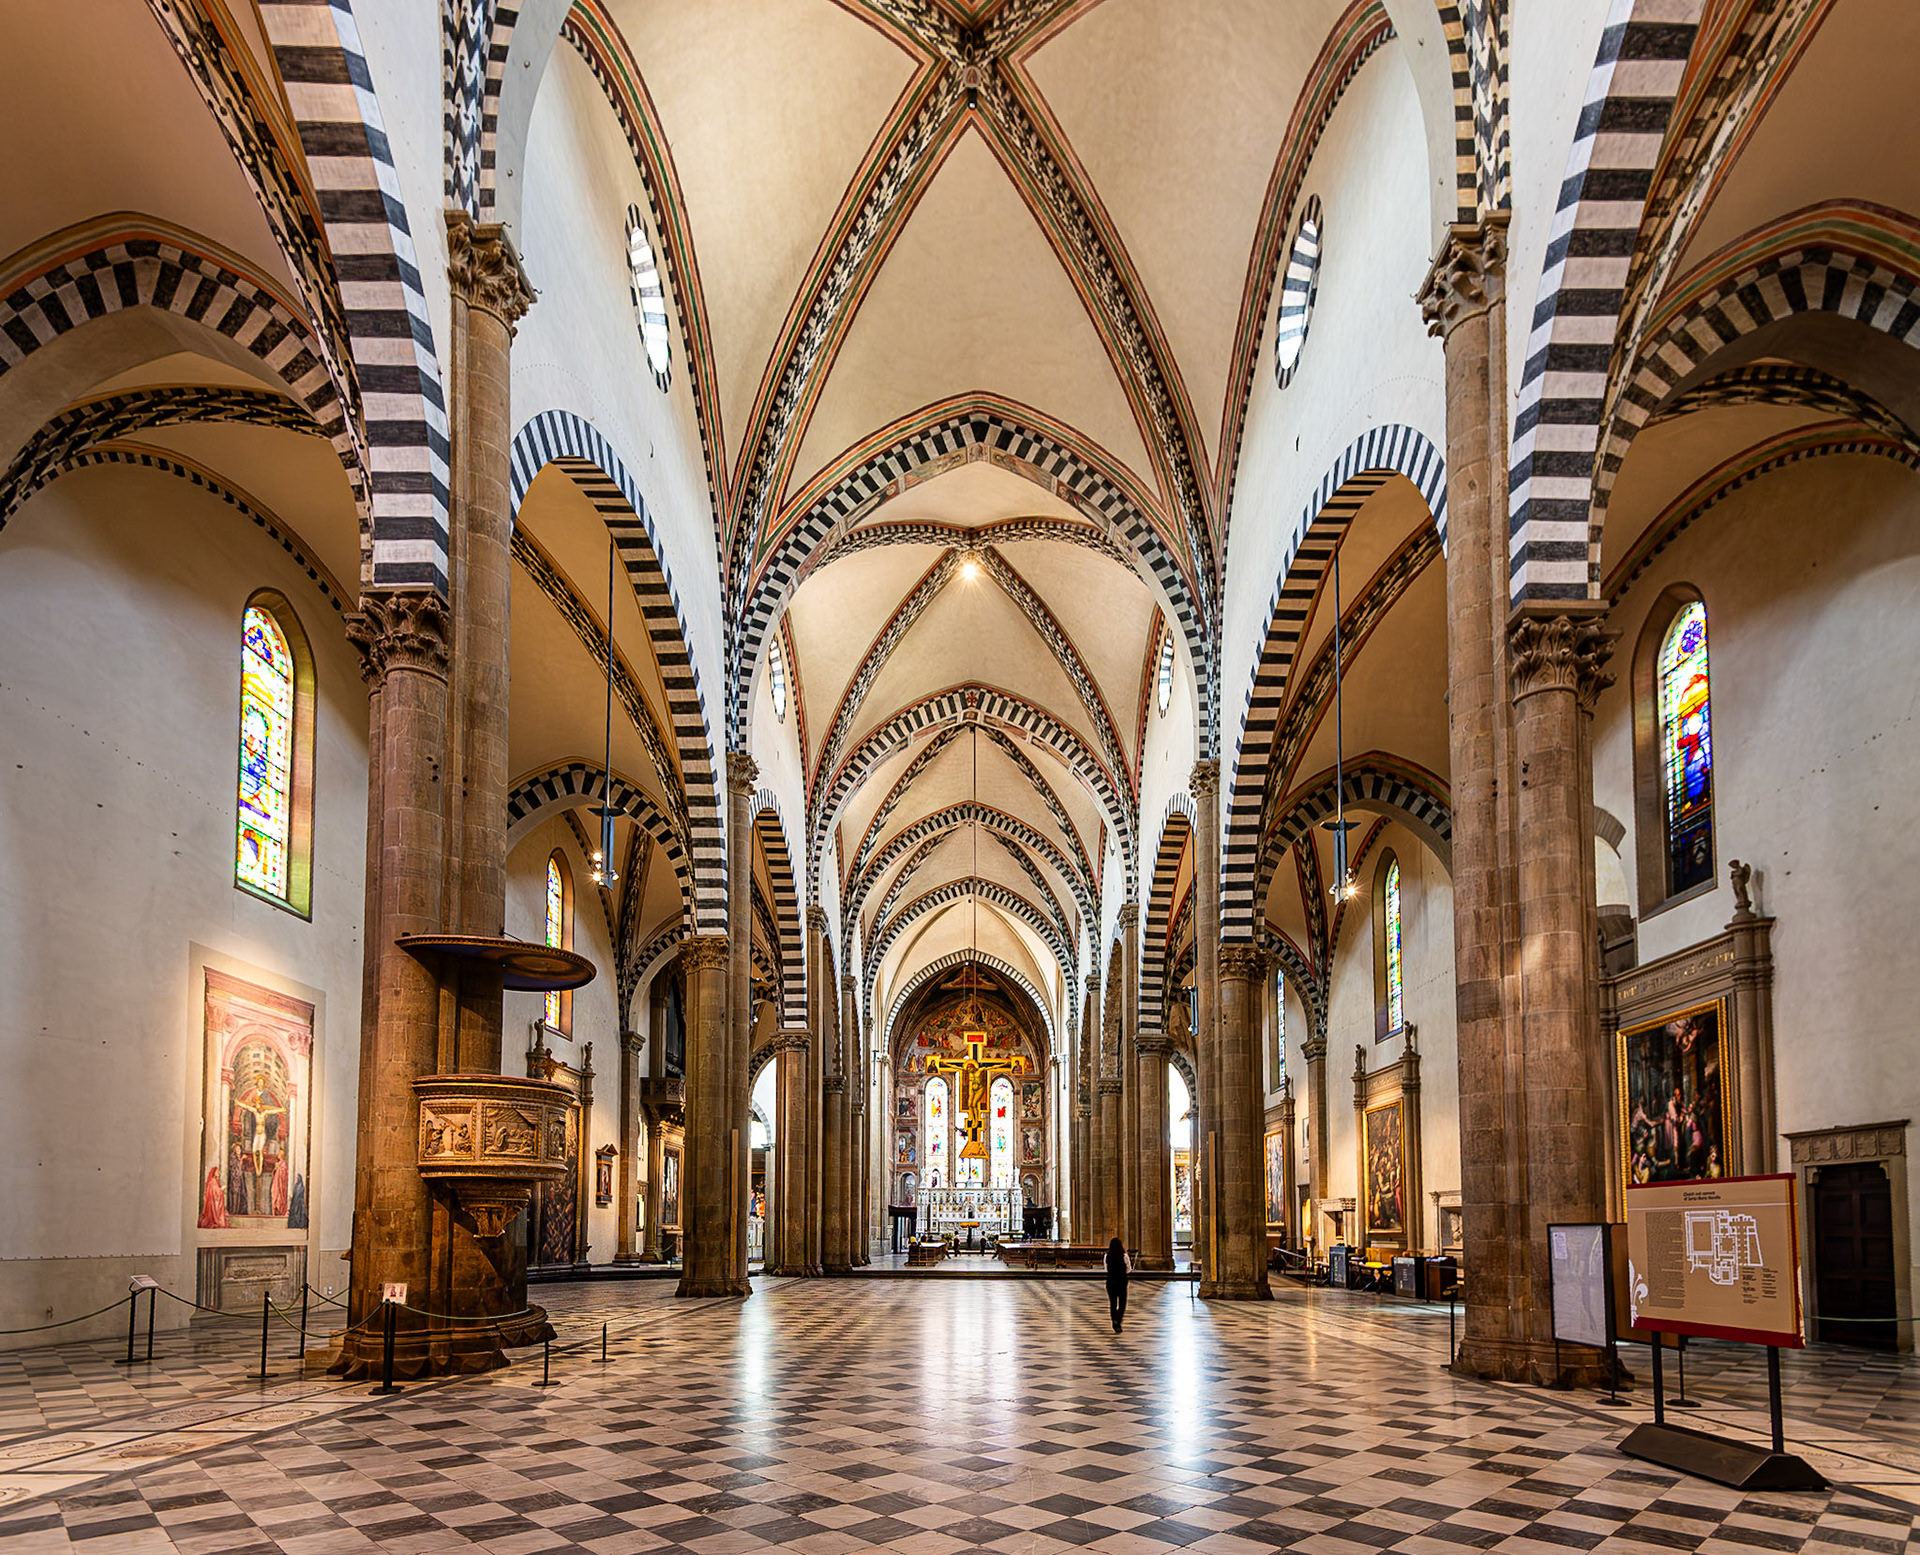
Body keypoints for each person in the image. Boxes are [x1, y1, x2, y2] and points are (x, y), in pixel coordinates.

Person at [1105, 1236, 1131, 1333]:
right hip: (1121, 1281)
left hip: (1111, 1281)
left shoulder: (1107, 1256)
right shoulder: (1124, 1256)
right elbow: (1128, 1269)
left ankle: (1114, 1320)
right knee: (1122, 1303)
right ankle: (1118, 1320)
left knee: (1113, 1303)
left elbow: (1106, 1268)